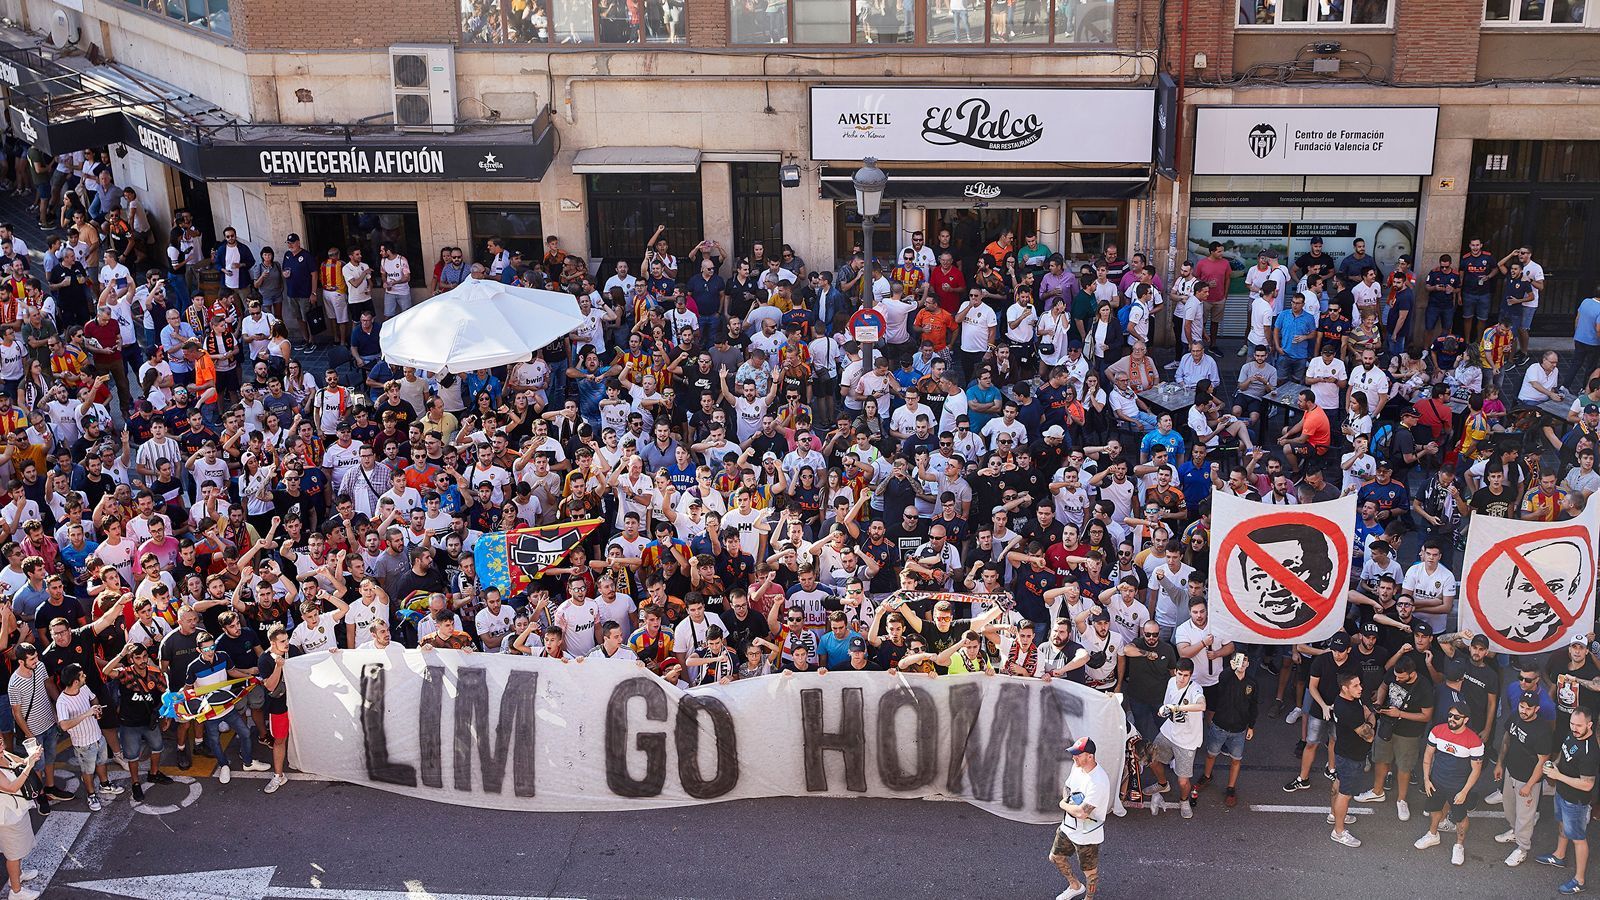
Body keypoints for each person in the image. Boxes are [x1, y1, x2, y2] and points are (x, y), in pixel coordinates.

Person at [1537, 706, 1600, 894]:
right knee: (1562, 825)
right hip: (1562, 793)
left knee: (1578, 839)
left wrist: (1557, 776)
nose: (1574, 728)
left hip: (1576, 801)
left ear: (1589, 725)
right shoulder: (1572, 733)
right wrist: (1554, 765)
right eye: (1572, 723)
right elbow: (1564, 755)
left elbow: (1587, 785)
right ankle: (1559, 855)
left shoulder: (1590, 752)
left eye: (1579, 725)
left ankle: (1579, 880)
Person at [1416, 701, 1487, 867]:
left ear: (1466, 719)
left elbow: (1476, 770)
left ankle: (1459, 845)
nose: (1452, 719)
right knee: (1434, 809)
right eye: (1450, 715)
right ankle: (1433, 834)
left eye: (1457, 717)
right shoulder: (1437, 731)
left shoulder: (1474, 741)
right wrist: (1426, 779)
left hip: (1458, 787)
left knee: (1460, 818)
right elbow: (1427, 756)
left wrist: (1464, 791)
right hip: (1436, 781)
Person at [1051, 736, 1109, 900]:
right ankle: (1075, 886)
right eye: (1074, 754)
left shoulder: (1098, 782)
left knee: (1090, 872)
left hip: (1087, 834)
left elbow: (1083, 813)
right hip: (1068, 826)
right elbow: (1067, 787)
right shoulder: (1077, 766)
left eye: (1078, 754)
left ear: (1090, 756)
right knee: (1056, 857)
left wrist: (1063, 805)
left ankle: (1089, 898)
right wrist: (1070, 804)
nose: (1073, 757)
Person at [1148, 656, 1205, 818]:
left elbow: (1202, 705)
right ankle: (1162, 784)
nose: (1181, 678)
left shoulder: (1196, 690)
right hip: (1168, 732)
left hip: (1187, 740)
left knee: (1183, 782)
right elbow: (1166, 704)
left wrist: (1177, 707)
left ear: (1191, 675)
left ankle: (1184, 800)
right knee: (1151, 759)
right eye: (1179, 674)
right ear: (1176, 672)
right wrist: (1164, 709)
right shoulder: (1171, 682)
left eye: (1185, 675)